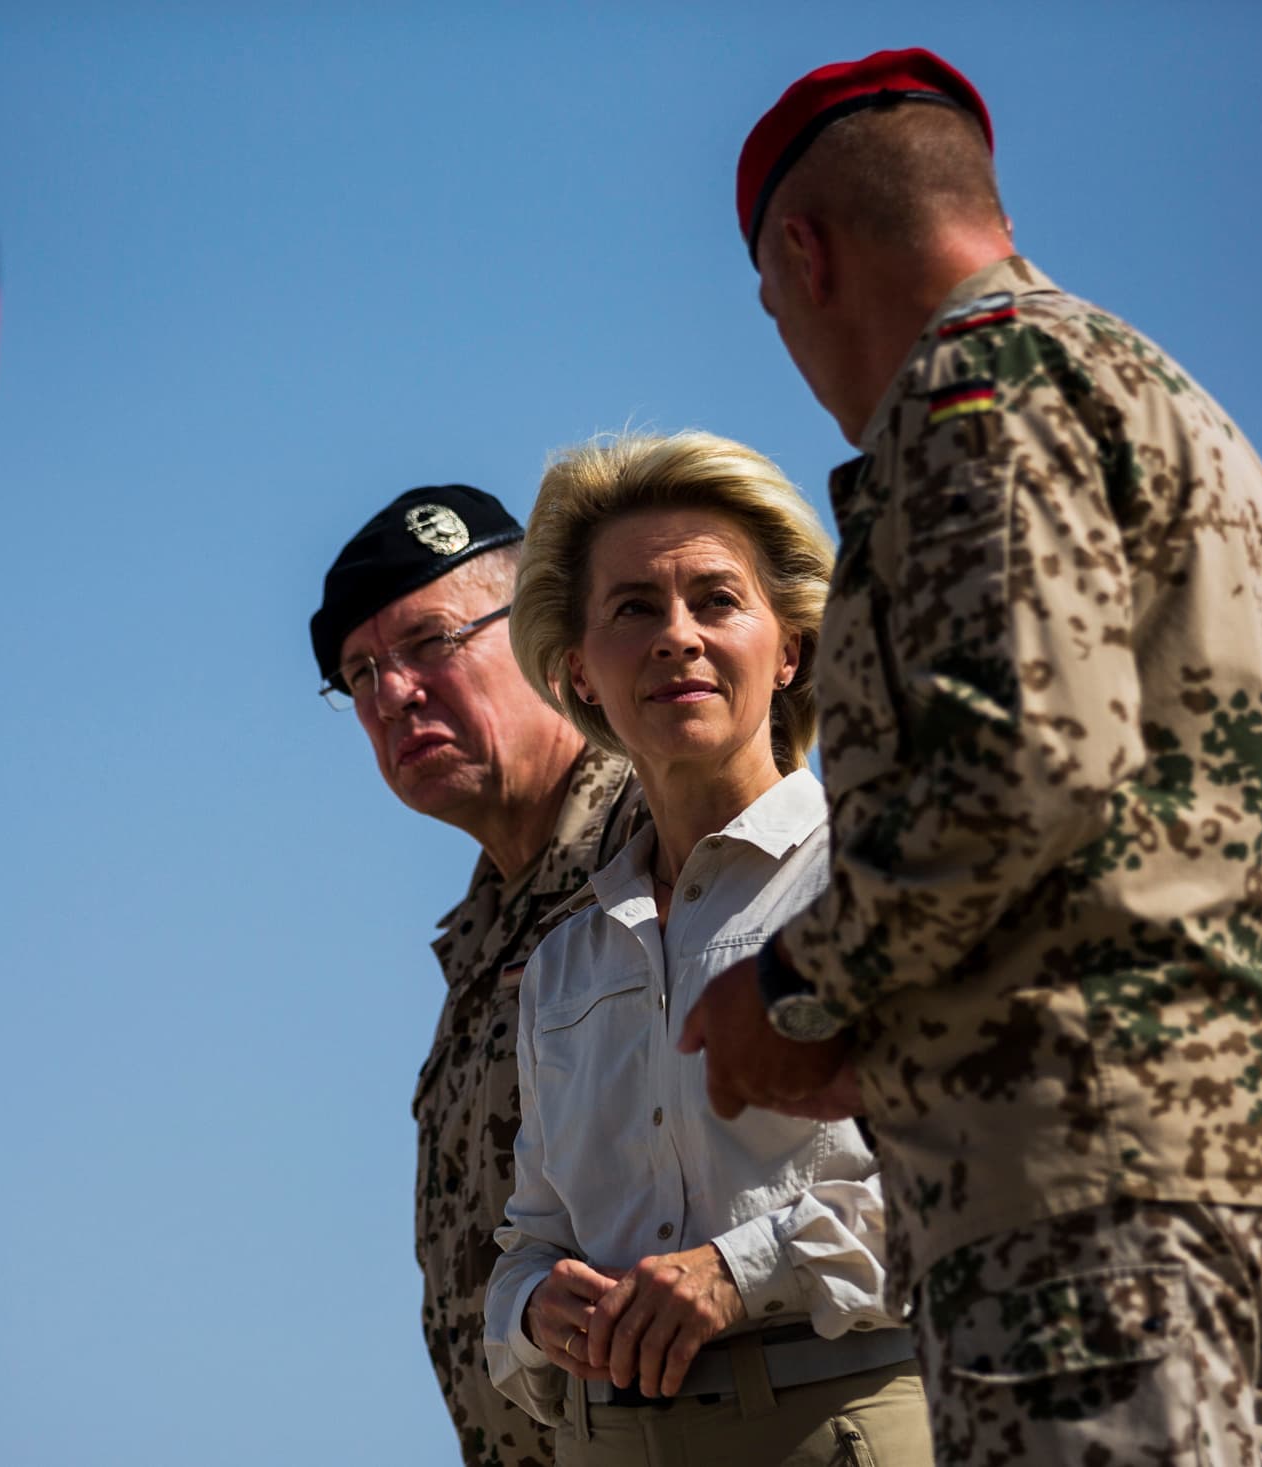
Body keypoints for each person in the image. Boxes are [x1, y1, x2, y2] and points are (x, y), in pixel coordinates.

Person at [681, 48, 1262, 1465]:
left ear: (806, 255)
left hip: (1072, 1189)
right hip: (1196, 1164)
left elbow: (1024, 766)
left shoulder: (975, 393)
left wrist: (793, 988)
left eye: (774, 309)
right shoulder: (1160, 398)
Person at [482, 432, 932, 1466]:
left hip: (844, 1425)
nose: (676, 637)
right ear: (577, 673)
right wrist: (534, 1309)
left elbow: (972, 1180)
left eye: (716, 601)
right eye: (633, 608)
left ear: (792, 651)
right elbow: (528, 1241)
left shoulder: (880, 882)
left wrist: (742, 1269)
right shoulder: (564, 965)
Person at [312, 484, 647, 1467]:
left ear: (547, 635)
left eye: (429, 643)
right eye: (360, 672)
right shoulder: (484, 936)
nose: (391, 695)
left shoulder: (670, 842)